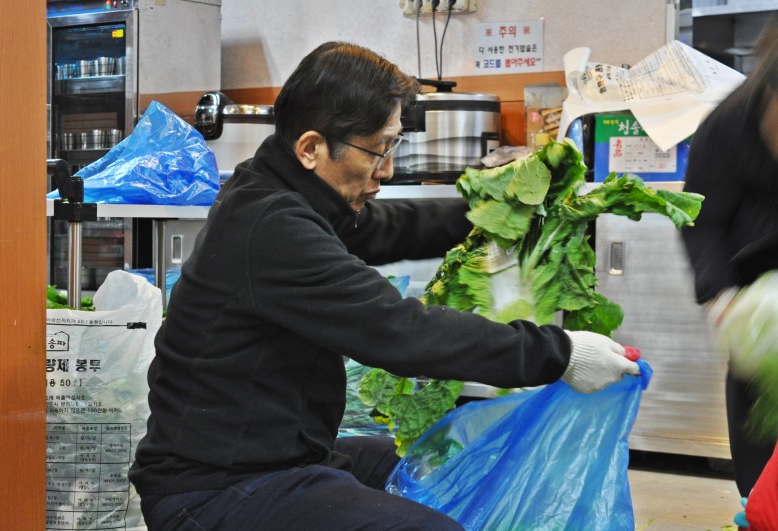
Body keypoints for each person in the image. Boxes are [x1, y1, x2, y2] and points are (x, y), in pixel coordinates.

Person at [129, 41, 639, 530]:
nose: (387, 170)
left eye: (393, 144)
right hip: (211, 490)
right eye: (378, 150)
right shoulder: (272, 226)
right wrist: (563, 354)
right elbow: (402, 332)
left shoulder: (281, 191)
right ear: (311, 148)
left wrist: (503, 214)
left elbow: (391, 225)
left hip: (280, 454)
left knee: (447, 462)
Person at [680, 19, 778, 512]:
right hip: (760, 305)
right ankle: (757, 505)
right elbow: (701, 220)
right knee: (760, 428)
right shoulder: (728, 124)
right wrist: (720, 296)